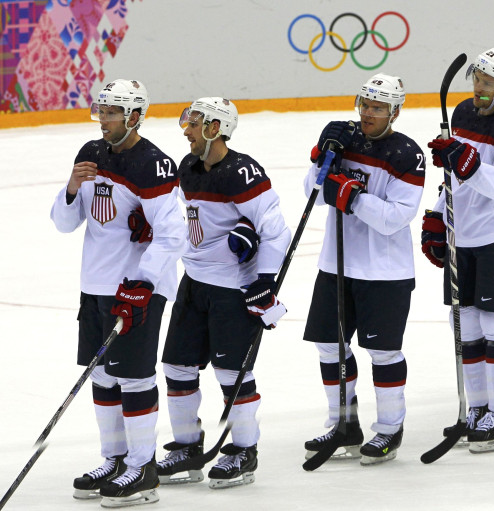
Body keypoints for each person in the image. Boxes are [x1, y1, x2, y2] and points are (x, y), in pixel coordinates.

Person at [50, 79, 187, 507]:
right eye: (101, 111)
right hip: (95, 284)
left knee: (134, 375)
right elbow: (64, 223)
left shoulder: (154, 165)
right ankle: (115, 458)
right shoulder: (89, 154)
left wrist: (143, 281)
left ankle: (143, 468)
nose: (102, 119)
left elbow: (173, 235)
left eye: (111, 112)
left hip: (137, 290)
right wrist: (72, 188)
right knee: (102, 374)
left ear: (133, 116)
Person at [155, 97, 290, 488]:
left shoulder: (242, 172)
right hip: (194, 281)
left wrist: (265, 279)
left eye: (195, 123)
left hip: (233, 288)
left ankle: (244, 451)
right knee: (177, 366)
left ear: (216, 128)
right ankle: (187, 448)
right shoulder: (189, 168)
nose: (187, 129)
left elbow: (276, 228)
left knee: (232, 372)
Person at [302, 73, 425, 465]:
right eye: (365, 105)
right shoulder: (346, 138)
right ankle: (344, 423)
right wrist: (323, 159)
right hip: (335, 265)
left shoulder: (408, 153)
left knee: (383, 351)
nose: (368, 113)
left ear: (395, 111)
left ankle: (389, 428)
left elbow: (397, 217)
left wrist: (352, 198)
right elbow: (312, 195)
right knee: (328, 345)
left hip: (384, 271)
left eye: (378, 107)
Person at [422, 47, 494, 453]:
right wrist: (438, 215)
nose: (478, 88)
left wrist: (465, 161)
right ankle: (479, 407)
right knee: (466, 324)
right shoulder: (463, 113)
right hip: (463, 233)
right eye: (476, 80)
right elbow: (456, 173)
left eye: (487, 83)